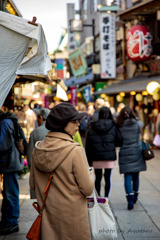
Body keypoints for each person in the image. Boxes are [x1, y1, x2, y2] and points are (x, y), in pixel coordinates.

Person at [29, 102, 94, 240]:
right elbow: (88, 189)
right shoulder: (75, 151)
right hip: (73, 217)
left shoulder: (37, 150)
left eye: (79, 121)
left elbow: (33, 185)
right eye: (75, 121)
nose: (78, 125)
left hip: (48, 215)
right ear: (62, 124)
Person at [85, 107, 122, 199]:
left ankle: (98, 197)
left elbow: (88, 144)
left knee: (98, 178)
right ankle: (106, 198)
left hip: (96, 156)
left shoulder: (92, 126)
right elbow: (119, 141)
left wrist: (88, 160)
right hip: (109, 156)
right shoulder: (114, 126)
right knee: (107, 178)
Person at [0, 109, 27, 235]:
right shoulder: (10, 120)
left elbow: (1, 144)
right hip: (11, 161)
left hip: (9, 162)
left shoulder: (5, 122)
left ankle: (11, 222)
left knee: (11, 193)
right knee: (8, 192)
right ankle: (7, 220)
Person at [116, 106, 147, 210]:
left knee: (127, 177)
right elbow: (142, 124)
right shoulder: (138, 124)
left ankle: (130, 199)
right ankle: (135, 196)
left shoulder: (119, 125)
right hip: (137, 152)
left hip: (125, 153)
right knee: (136, 176)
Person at [27, 107, 50, 199]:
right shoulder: (56, 131)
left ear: (40, 117)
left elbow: (30, 156)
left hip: (39, 172)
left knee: (41, 200)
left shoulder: (35, 133)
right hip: (53, 173)